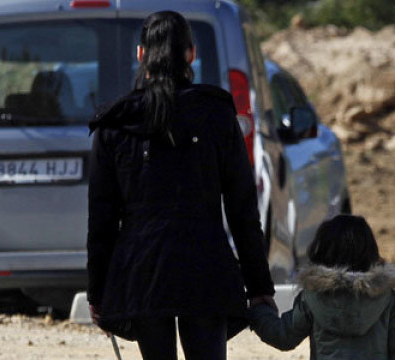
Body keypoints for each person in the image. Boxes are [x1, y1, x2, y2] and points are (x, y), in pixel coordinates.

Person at [86, 10, 274, 360]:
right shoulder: (217, 114)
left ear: (141, 55)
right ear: (191, 54)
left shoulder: (115, 123)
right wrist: (259, 286)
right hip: (205, 264)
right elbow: (242, 208)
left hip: (143, 272)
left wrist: (98, 291)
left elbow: (102, 220)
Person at [250, 214, 395, 360]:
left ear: (323, 251)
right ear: (370, 251)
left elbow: (283, 336)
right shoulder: (388, 299)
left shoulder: (313, 297)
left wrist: (259, 310)